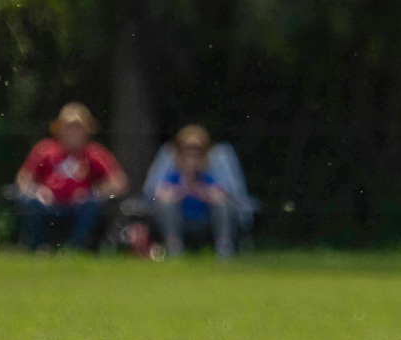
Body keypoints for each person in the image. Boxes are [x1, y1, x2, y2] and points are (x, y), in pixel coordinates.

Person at [15, 103, 126, 251]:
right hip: (48, 205)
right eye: (68, 128)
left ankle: (75, 247)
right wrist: (37, 191)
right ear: (60, 130)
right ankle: (40, 247)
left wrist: (92, 193)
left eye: (77, 128)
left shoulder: (94, 153)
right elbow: (23, 178)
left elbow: (119, 182)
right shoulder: (45, 150)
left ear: (86, 131)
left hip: (79, 207)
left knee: (92, 204)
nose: (72, 133)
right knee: (28, 200)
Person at [143, 125, 246, 257]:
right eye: (187, 151)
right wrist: (183, 187)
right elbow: (158, 193)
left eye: (196, 152)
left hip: (206, 220)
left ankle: (224, 248)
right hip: (180, 220)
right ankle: (174, 247)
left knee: (222, 204)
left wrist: (199, 190)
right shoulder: (173, 173)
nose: (191, 157)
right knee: (165, 202)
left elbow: (222, 193)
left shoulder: (210, 173)